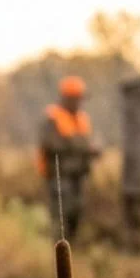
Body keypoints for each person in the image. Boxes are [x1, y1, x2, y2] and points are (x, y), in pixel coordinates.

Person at [38, 76, 99, 240]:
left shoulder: (82, 118)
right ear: (67, 98)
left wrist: (92, 151)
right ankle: (55, 249)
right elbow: (50, 145)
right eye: (77, 98)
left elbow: (86, 143)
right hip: (59, 176)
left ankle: (72, 250)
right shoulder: (53, 117)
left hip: (78, 176)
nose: (80, 102)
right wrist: (81, 147)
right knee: (60, 215)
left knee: (76, 213)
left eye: (81, 99)